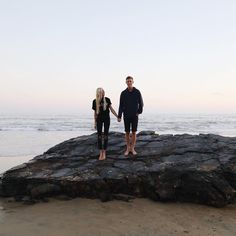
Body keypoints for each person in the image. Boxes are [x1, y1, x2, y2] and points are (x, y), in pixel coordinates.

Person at [118, 76, 144, 156]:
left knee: (134, 132)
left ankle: (132, 148)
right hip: (126, 115)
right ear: (126, 82)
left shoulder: (137, 92)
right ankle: (127, 148)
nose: (129, 82)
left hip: (134, 115)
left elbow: (141, 103)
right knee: (127, 132)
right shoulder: (123, 93)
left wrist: (139, 112)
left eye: (130, 81)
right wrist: (119, 116)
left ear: (133, 82)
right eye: (128, 81)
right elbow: (121, 105)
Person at [92, 88, 118, 160]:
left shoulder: (107, 99)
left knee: (106, 135)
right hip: (99, 120)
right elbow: (95, 113)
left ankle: (104, 152)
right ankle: (101, 152)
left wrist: (117, 116)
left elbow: (111, 109)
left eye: (103, 92)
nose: (102, 93)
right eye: (101, 92)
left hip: (106, 119)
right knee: (99, 136)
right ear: (98, 93)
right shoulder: (95, 101)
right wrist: (94, 123)